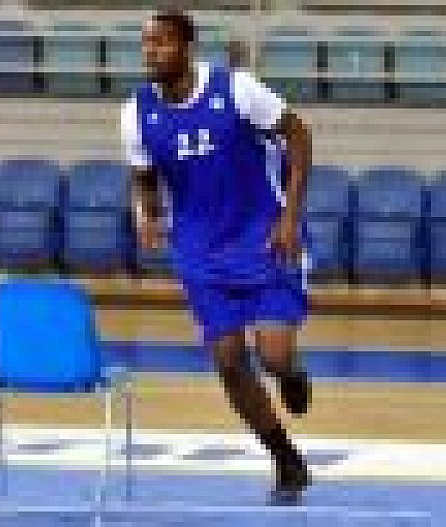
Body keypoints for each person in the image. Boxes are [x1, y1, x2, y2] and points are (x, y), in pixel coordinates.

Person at [122, 10, 313, 503]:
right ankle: (284, 458)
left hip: (264, 238)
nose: (151, 52)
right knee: (228, 361)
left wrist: (290, 217)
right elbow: (143, 177)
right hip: (200, 252)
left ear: (187, 47)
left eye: (162, 42)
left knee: (273, 354)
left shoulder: (237, 89)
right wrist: (147, 213)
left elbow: (299, 135)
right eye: (146, 43)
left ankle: (291, 374)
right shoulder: (136, 112)